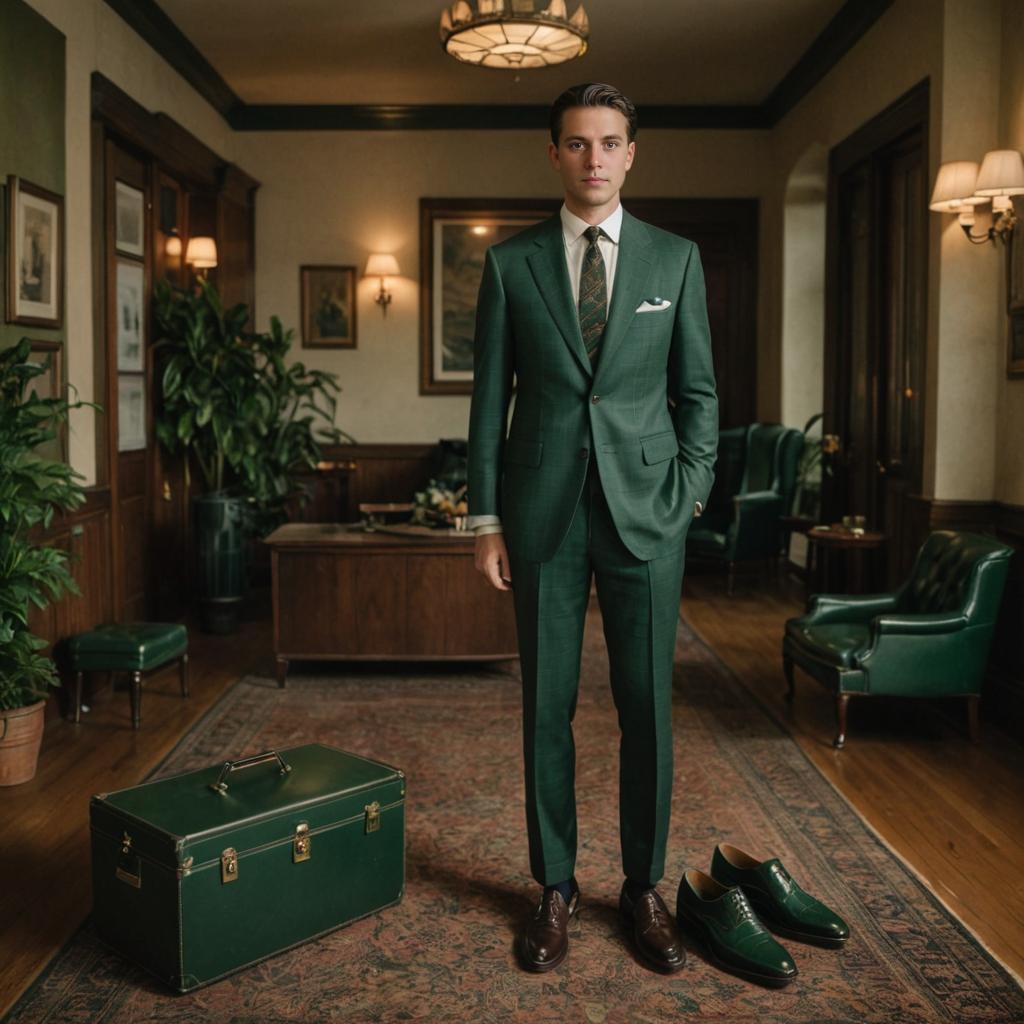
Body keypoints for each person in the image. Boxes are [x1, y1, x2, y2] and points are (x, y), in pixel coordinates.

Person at [466, 82, 719, 974]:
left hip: (649, 516)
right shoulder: (511, 264)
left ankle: (642, 889)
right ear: (555, 154)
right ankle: (554, 889)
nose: (595, 159)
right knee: (548, 711)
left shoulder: (675, 260)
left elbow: (699, 395)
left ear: (631, 152)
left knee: (646, 709)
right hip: (542, 519)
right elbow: (488, 399)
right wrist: (487, 518)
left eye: (610, 143)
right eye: (578, 144)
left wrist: (689, 493)